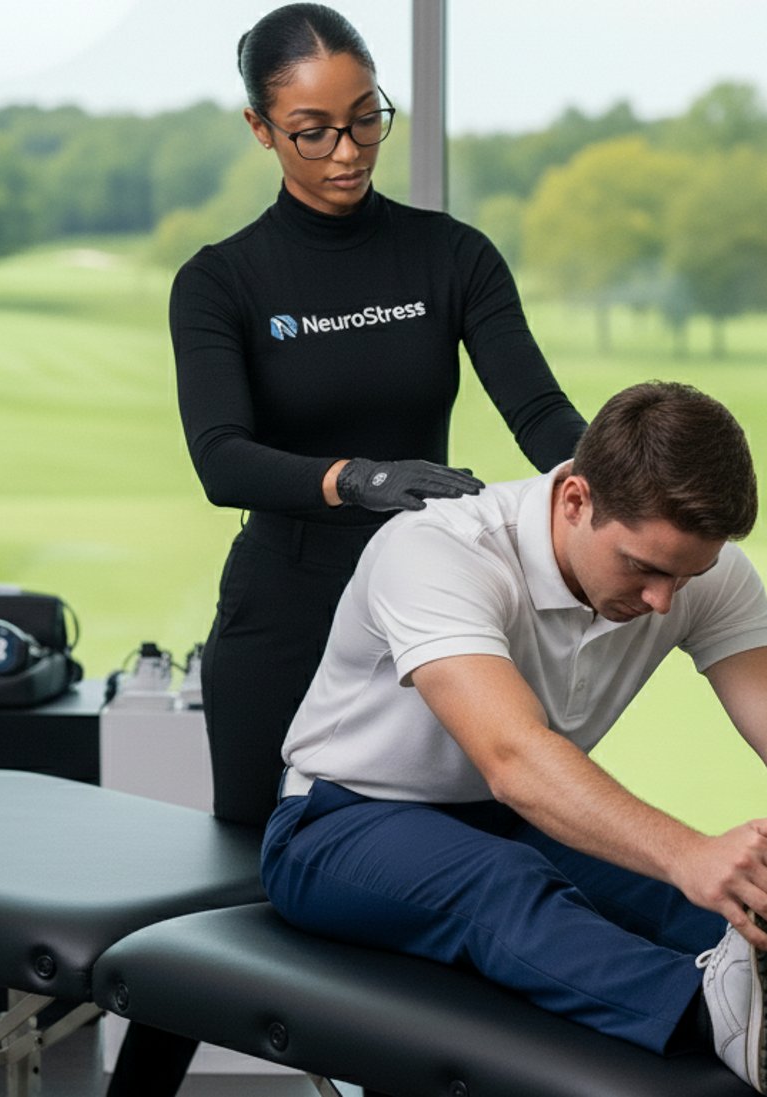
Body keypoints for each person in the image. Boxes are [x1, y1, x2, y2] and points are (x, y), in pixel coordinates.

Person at [111, 4, 586, 1091]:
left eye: (365, 120)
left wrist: (617, 471)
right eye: (312, 128)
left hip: (429, 622)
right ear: (261, 131)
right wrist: (356, 480)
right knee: (233, 901)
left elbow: (541, 411)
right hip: (282, 616)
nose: (346, 151)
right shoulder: (222, 281)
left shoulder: (450, 255)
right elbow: (222, 458)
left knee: (447, 881)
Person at [261, 381, 767, 1095]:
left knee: (696, 901)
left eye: (689, 575)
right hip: (339, 824)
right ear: (575, 501)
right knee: (511, 884)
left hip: (515, 819)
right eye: (644, 568)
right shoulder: (439, 552)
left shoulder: (689, 573)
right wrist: (689, 851)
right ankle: (712, 1013)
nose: (663, 600)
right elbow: (513, 755)